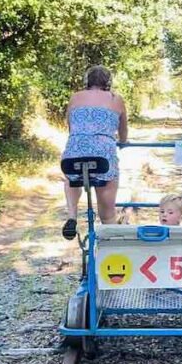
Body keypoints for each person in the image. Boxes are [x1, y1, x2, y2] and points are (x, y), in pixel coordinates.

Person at [61, 65, 128, 239]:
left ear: (87, 81)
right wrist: (122, 142)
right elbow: (123, 132)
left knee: (71, 177)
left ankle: (72, 216)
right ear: (108, 82)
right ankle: (110, 233)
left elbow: (71, 128)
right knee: (107, 214)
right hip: (103, 157)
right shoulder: (116, 99)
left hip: (73, 153)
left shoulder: (75, 97)